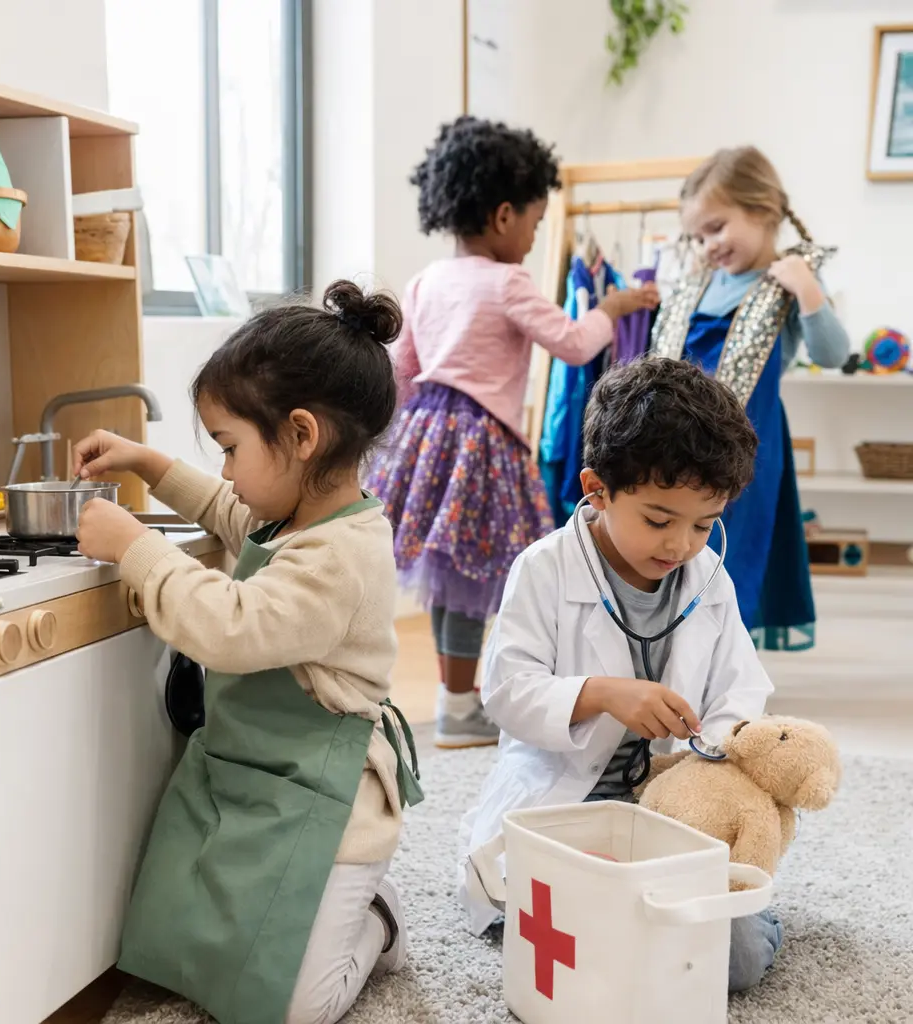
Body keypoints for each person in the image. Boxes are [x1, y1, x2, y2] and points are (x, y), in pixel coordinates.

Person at [71, 281, 423, 1024]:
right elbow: (228, 509)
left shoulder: (343, 556)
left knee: (294, 1010)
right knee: (181, 944)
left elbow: (232, 625)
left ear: (301, 435)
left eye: (230, 447)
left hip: (330, 805)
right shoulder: (292, 515)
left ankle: (379, 920)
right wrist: (149, 463)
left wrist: (137, 548)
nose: (226, 471)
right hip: (258, 780)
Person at [458, 358, 782, 993]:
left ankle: (740, 915)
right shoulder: (544, 569)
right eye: (659, 519)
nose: (680, 545)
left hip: (666, 806)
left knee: (736, 962)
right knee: (545, 925)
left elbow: (742, 691)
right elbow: (506, 692)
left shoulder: (709, 582)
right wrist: (602, 694)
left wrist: (709, 755)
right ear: (597, 488)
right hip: (565, 805)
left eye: (704, 523)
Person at [365, 115, 658, 749]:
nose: (533, 235)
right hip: (481, 443)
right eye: (534, 221)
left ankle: (455, 700)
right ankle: (460, 710)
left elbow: (404, 374)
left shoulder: (424, 281)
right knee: (471, 579)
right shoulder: (508, 281)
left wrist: (389, 447)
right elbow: (575, 346)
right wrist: (609, 309)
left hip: (425, 435)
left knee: (450, 577)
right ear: (503, 215)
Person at [652, 145, 850, 651]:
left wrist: (807, 289)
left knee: (734, 552)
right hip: (678, 441)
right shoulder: (697, 284)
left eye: (717, 227)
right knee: (674, 546)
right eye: (699, 235)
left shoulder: (786, 280)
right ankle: (671, 654)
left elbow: (833, 353)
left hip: (749, 445)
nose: (709, 245)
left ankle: (724, 666)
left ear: (763, 211)